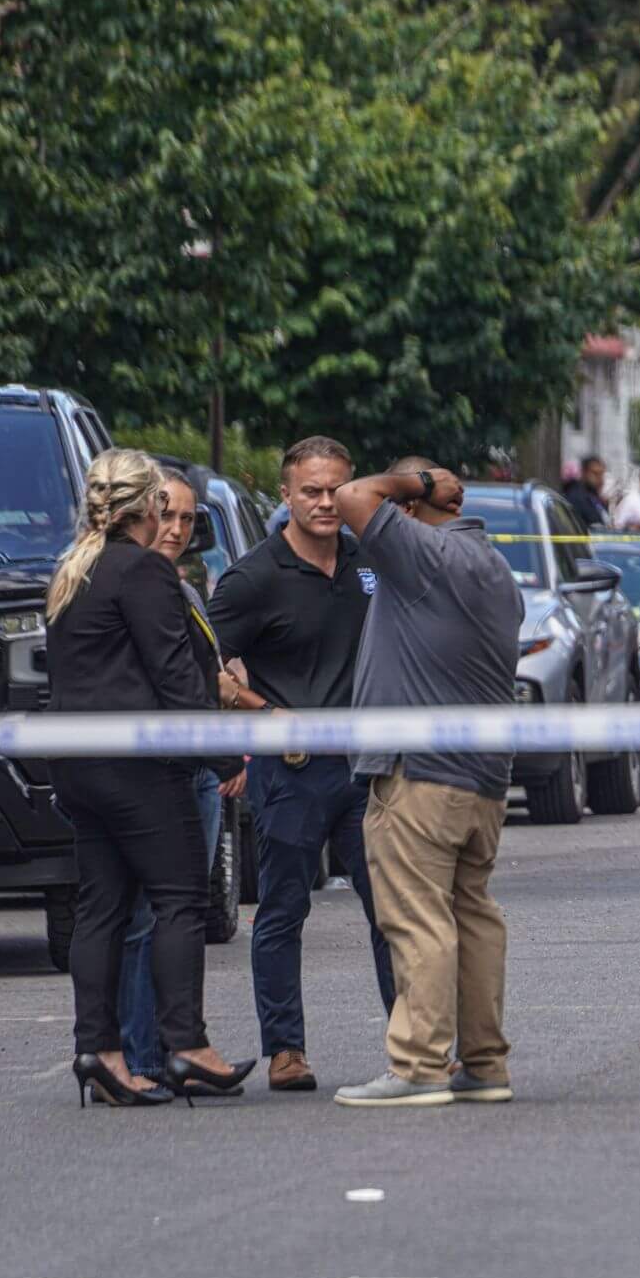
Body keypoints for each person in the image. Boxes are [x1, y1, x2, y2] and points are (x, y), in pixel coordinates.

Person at [45, 449, 254, 1107]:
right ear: (151, 507)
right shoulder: (143, 572)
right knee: (181, 899)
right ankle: (186, 1045)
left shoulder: (73, 571)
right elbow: (175, 678)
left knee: (102, 908)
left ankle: (99, 1053)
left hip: (80, 767)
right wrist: (224, 756)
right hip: (140, 770)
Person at [329, 459, 525, 1107]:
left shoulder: (422, 554)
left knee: (417, 921)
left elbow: (354, 496)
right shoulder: (496, 571)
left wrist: (408, 480)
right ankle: (484, 1063)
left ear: (412, 509)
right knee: (472, 917)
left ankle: (417, 1066)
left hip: (418, 773)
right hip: (483, 778)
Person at [209, 436, 395, 1094]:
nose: (324, 502)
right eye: (310, 490)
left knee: (392, 911)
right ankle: (286, 1050)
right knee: (284, 909)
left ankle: (417, 1049)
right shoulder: (253, 578)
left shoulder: (371, 561)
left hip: (368, 766)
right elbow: (206, 669)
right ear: (285, 495)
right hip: (290, 772)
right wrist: (264, 711)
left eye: (335, 490)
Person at [114, 468, 247, 1091]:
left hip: (195, 767)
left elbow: (200, 675)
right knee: (145, 916)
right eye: (164, 513)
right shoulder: (125, 583)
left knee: (183, 914)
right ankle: (142, 1058)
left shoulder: (184, 589)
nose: (174, 528)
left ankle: (177, 1048)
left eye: (188, 519)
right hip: (153, 772)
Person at [564, 454, 611, 529]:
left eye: (602, 474)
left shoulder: (596, 498)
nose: (600, 478)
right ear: (583, 473)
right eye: (595, 473)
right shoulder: (575, 498)